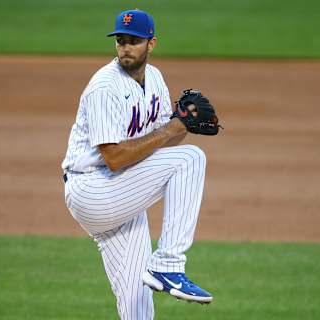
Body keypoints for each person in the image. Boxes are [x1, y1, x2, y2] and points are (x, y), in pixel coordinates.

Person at [62, 9, 213, 319]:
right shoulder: (105, 87)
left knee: (137, 304)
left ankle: (160, 273)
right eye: (121, 41)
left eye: (134, 41)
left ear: (151, 43)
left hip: (120, 195)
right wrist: (172, 128)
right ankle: (169, 265)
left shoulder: (155, 78)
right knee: (192, 159)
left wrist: (182, 124)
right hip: (92, 189)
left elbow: (161, 140)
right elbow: (115, 158)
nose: (126, 48)